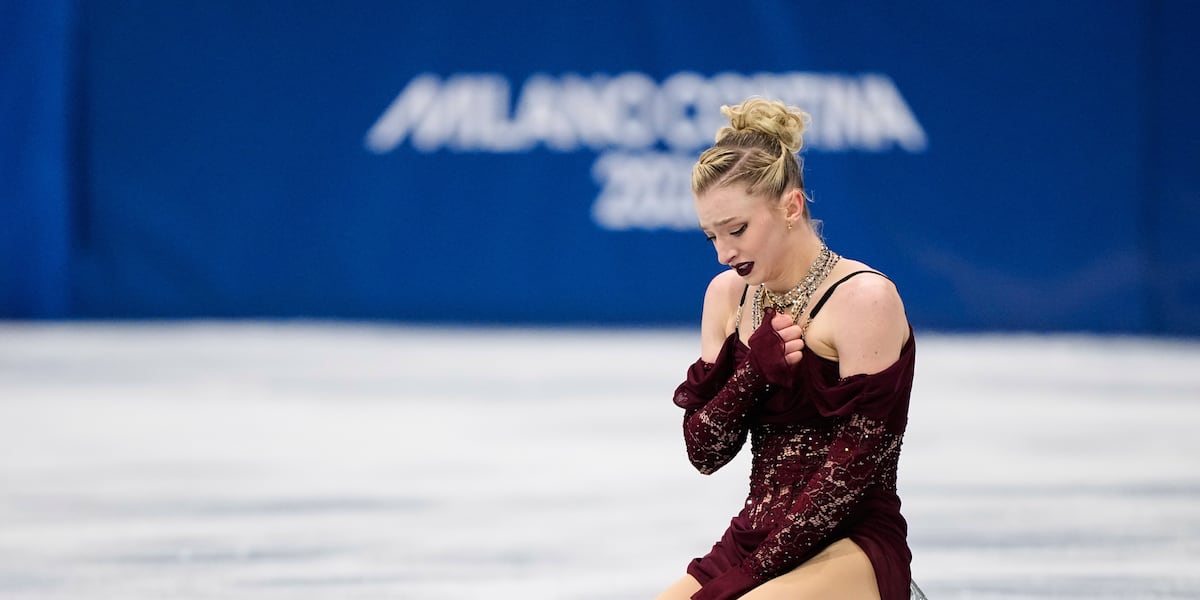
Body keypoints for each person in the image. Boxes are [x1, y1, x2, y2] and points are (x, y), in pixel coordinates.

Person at [656, 98, 917, 600]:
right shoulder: (727, 297)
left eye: (737, 230)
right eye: (711, 236)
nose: (724, 253)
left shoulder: (864, 299)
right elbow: (704, 452)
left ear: (791, 207)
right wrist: (751, 375)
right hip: (754, 535)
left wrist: (748, 579)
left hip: (850, 540)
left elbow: (853, 472)